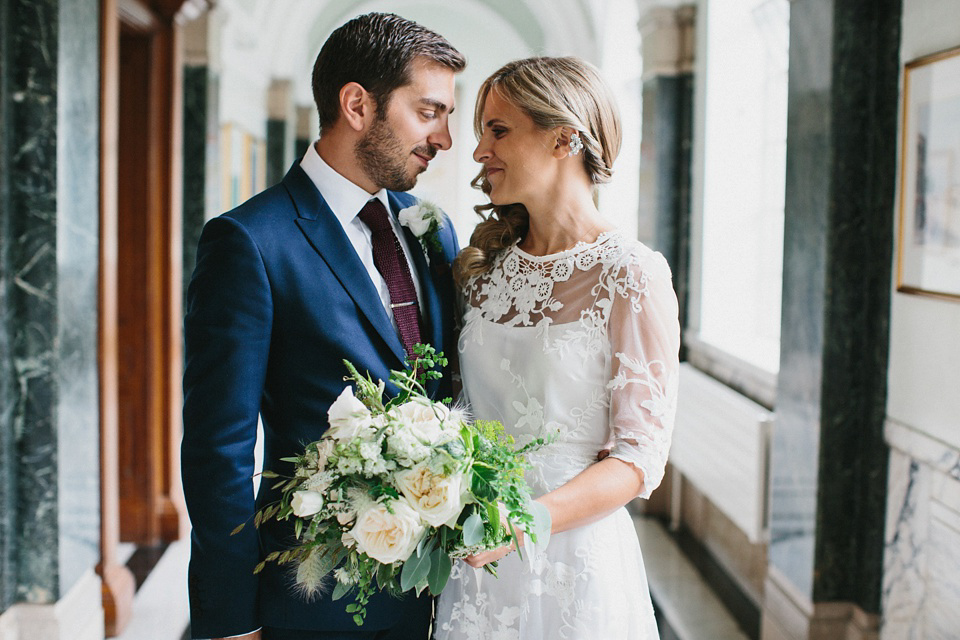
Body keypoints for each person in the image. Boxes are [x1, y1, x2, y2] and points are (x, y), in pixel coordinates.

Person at [181, 13, 465, 640]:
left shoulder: (432, 229)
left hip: (440, 590)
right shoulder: (250, 242)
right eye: (429, 112)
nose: (445, 138)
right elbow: (218, 449)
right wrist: (229, 619)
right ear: (357, 104)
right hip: (313, 596)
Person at [434, 57, 680, 639]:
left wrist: (521, 523)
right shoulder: (483, 271)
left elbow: (640, 458)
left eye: (497, 130)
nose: (478, 153)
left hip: (573, 557)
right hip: (474, 563)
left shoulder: (632, 273)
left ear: (564, 137)